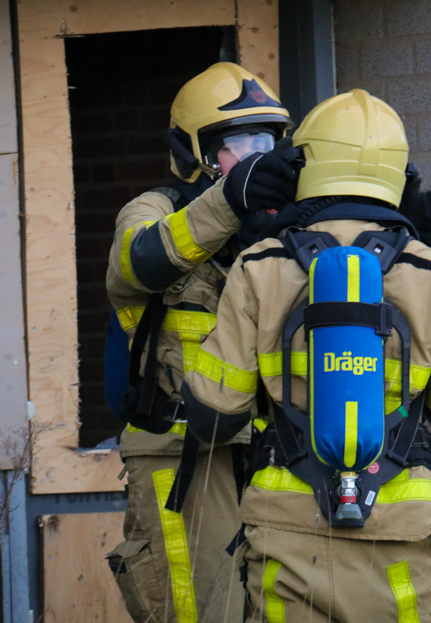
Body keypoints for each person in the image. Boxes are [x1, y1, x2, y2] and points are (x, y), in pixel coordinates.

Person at [182, 89, 431, 623]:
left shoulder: (259, 264)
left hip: (287, 536)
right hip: (402, 533)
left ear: (306, 165)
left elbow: (214, 413)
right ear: (398, 174)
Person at [104, 62, 300, 623]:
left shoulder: (280, 229)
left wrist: (400, 228)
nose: (256, 157)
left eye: (265, 142)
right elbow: (138, 262)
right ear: (196, 153)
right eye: (238, 145)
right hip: (182, 459)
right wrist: (230, 201)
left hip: (275, 454)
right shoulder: (153, 210)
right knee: (202, 612)